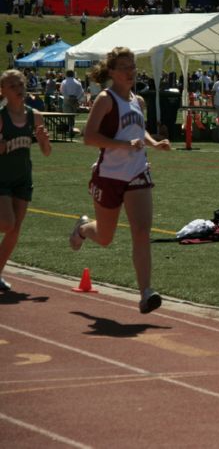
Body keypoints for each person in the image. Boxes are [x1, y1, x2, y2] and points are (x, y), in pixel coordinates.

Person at [68, 47, 171, 314]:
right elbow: (89, 137)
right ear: (111, 71)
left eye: (133, 66)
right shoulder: (106, 98)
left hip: (137, 173)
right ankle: (82, 228)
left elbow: (138, 131)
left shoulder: (137, 100)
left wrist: (153, 143)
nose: (130, 72)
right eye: (124, 67)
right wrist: (124, 145)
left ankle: (146, 292)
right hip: (109, 176)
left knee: (141, 231)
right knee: (104, 237)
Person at [0, 69, 51, 292]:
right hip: (1, 178)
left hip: (23, 178)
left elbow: (46, 152)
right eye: (12, 85)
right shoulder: (1, 117)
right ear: (2, 91)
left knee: (14, 229)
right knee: (7, 222)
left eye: (20, 84)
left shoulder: (34, 116)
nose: (19, 88)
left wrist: (42, 140)